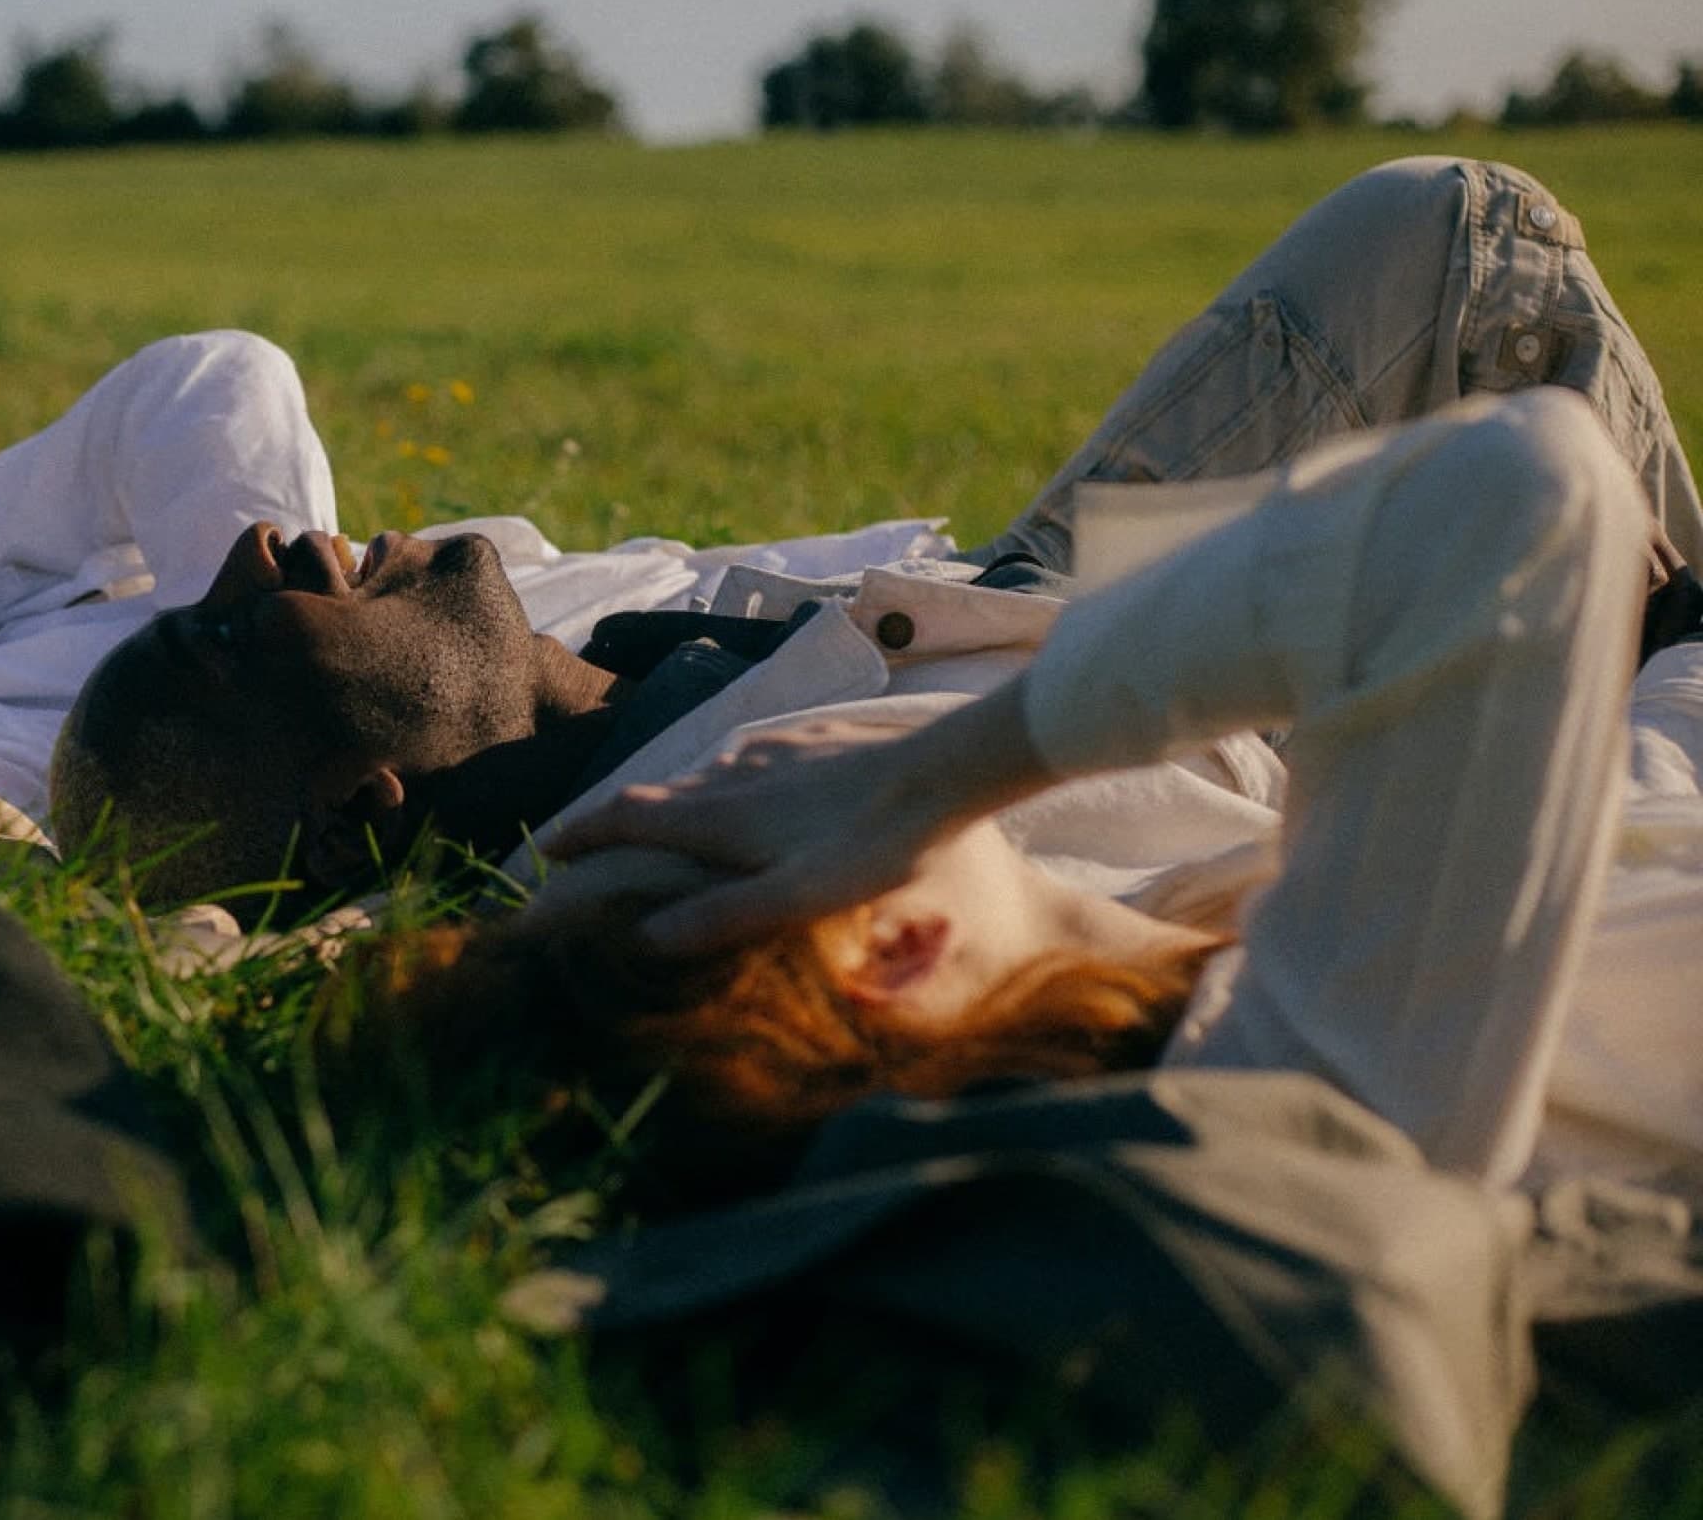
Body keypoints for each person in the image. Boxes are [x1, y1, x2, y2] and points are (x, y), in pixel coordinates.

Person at [51, 157, 1703, 920]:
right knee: (1483, 287)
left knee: (1446, 231)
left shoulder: (610, 650)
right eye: (220, 629)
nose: (267, 547)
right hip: (1132, 664)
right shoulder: (716, 853)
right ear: (359, 813)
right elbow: (1231, 824)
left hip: (1018, 589)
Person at [506, 389, 1703, 1198]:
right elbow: (1524, 479)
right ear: (899, 946)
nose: (761, 767)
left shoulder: (1210, 934)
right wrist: (921, 775)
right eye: (735, 810)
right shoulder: (1303, 1085)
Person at [0, 329, 942, 820]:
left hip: (731, 584)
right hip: (731, 692)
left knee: (1071, 542)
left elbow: (204, 380)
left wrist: (275, 610)